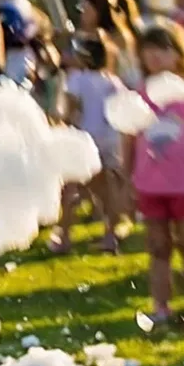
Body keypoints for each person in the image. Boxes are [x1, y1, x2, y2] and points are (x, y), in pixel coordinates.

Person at [125, 21, 184, 332]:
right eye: (148, 49)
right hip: (149, 186)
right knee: (157, 246)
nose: (155, 56)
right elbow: (129, 142)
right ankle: (161, 307)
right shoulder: (138, 97)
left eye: (163, 49)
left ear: (178, 54)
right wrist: (128, 182)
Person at [52, 31, 127, 255]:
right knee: (107, 190)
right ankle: (110, 236)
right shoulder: (113, 81)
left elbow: (72, 109)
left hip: (85, 138)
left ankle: (64, 237)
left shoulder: (77, 79)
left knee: (70, 188)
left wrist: (62, 127)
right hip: (109, 137)